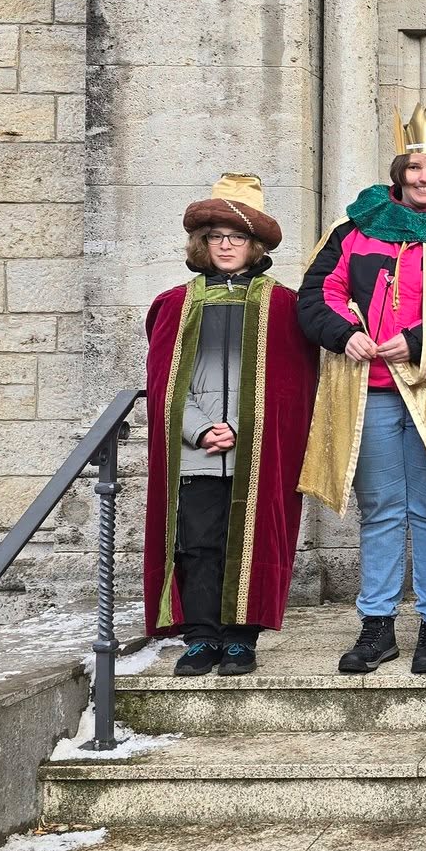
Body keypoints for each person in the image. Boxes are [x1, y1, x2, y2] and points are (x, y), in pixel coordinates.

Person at [299, 106, 426, 677]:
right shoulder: (355, 229)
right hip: (373, 391)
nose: (424, 177)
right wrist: (347, 334)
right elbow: (317, 295)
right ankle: (377, 625)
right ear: (399, 172)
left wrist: (415, 342)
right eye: (414, 167)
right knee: (382, 510)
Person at [145, 174, 316, 677]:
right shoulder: (175, 304)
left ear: (254, 245)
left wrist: (242, 428)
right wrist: (200, 430)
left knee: (251, 543)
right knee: (198, 543)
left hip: (256, 447)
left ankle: (241, 639)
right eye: (216, 236)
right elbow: (164, 382)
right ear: (202, 243)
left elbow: (291, 385)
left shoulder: (283, 306)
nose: (225, 245)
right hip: (197, 449)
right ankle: (200, 638)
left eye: (236, 237)